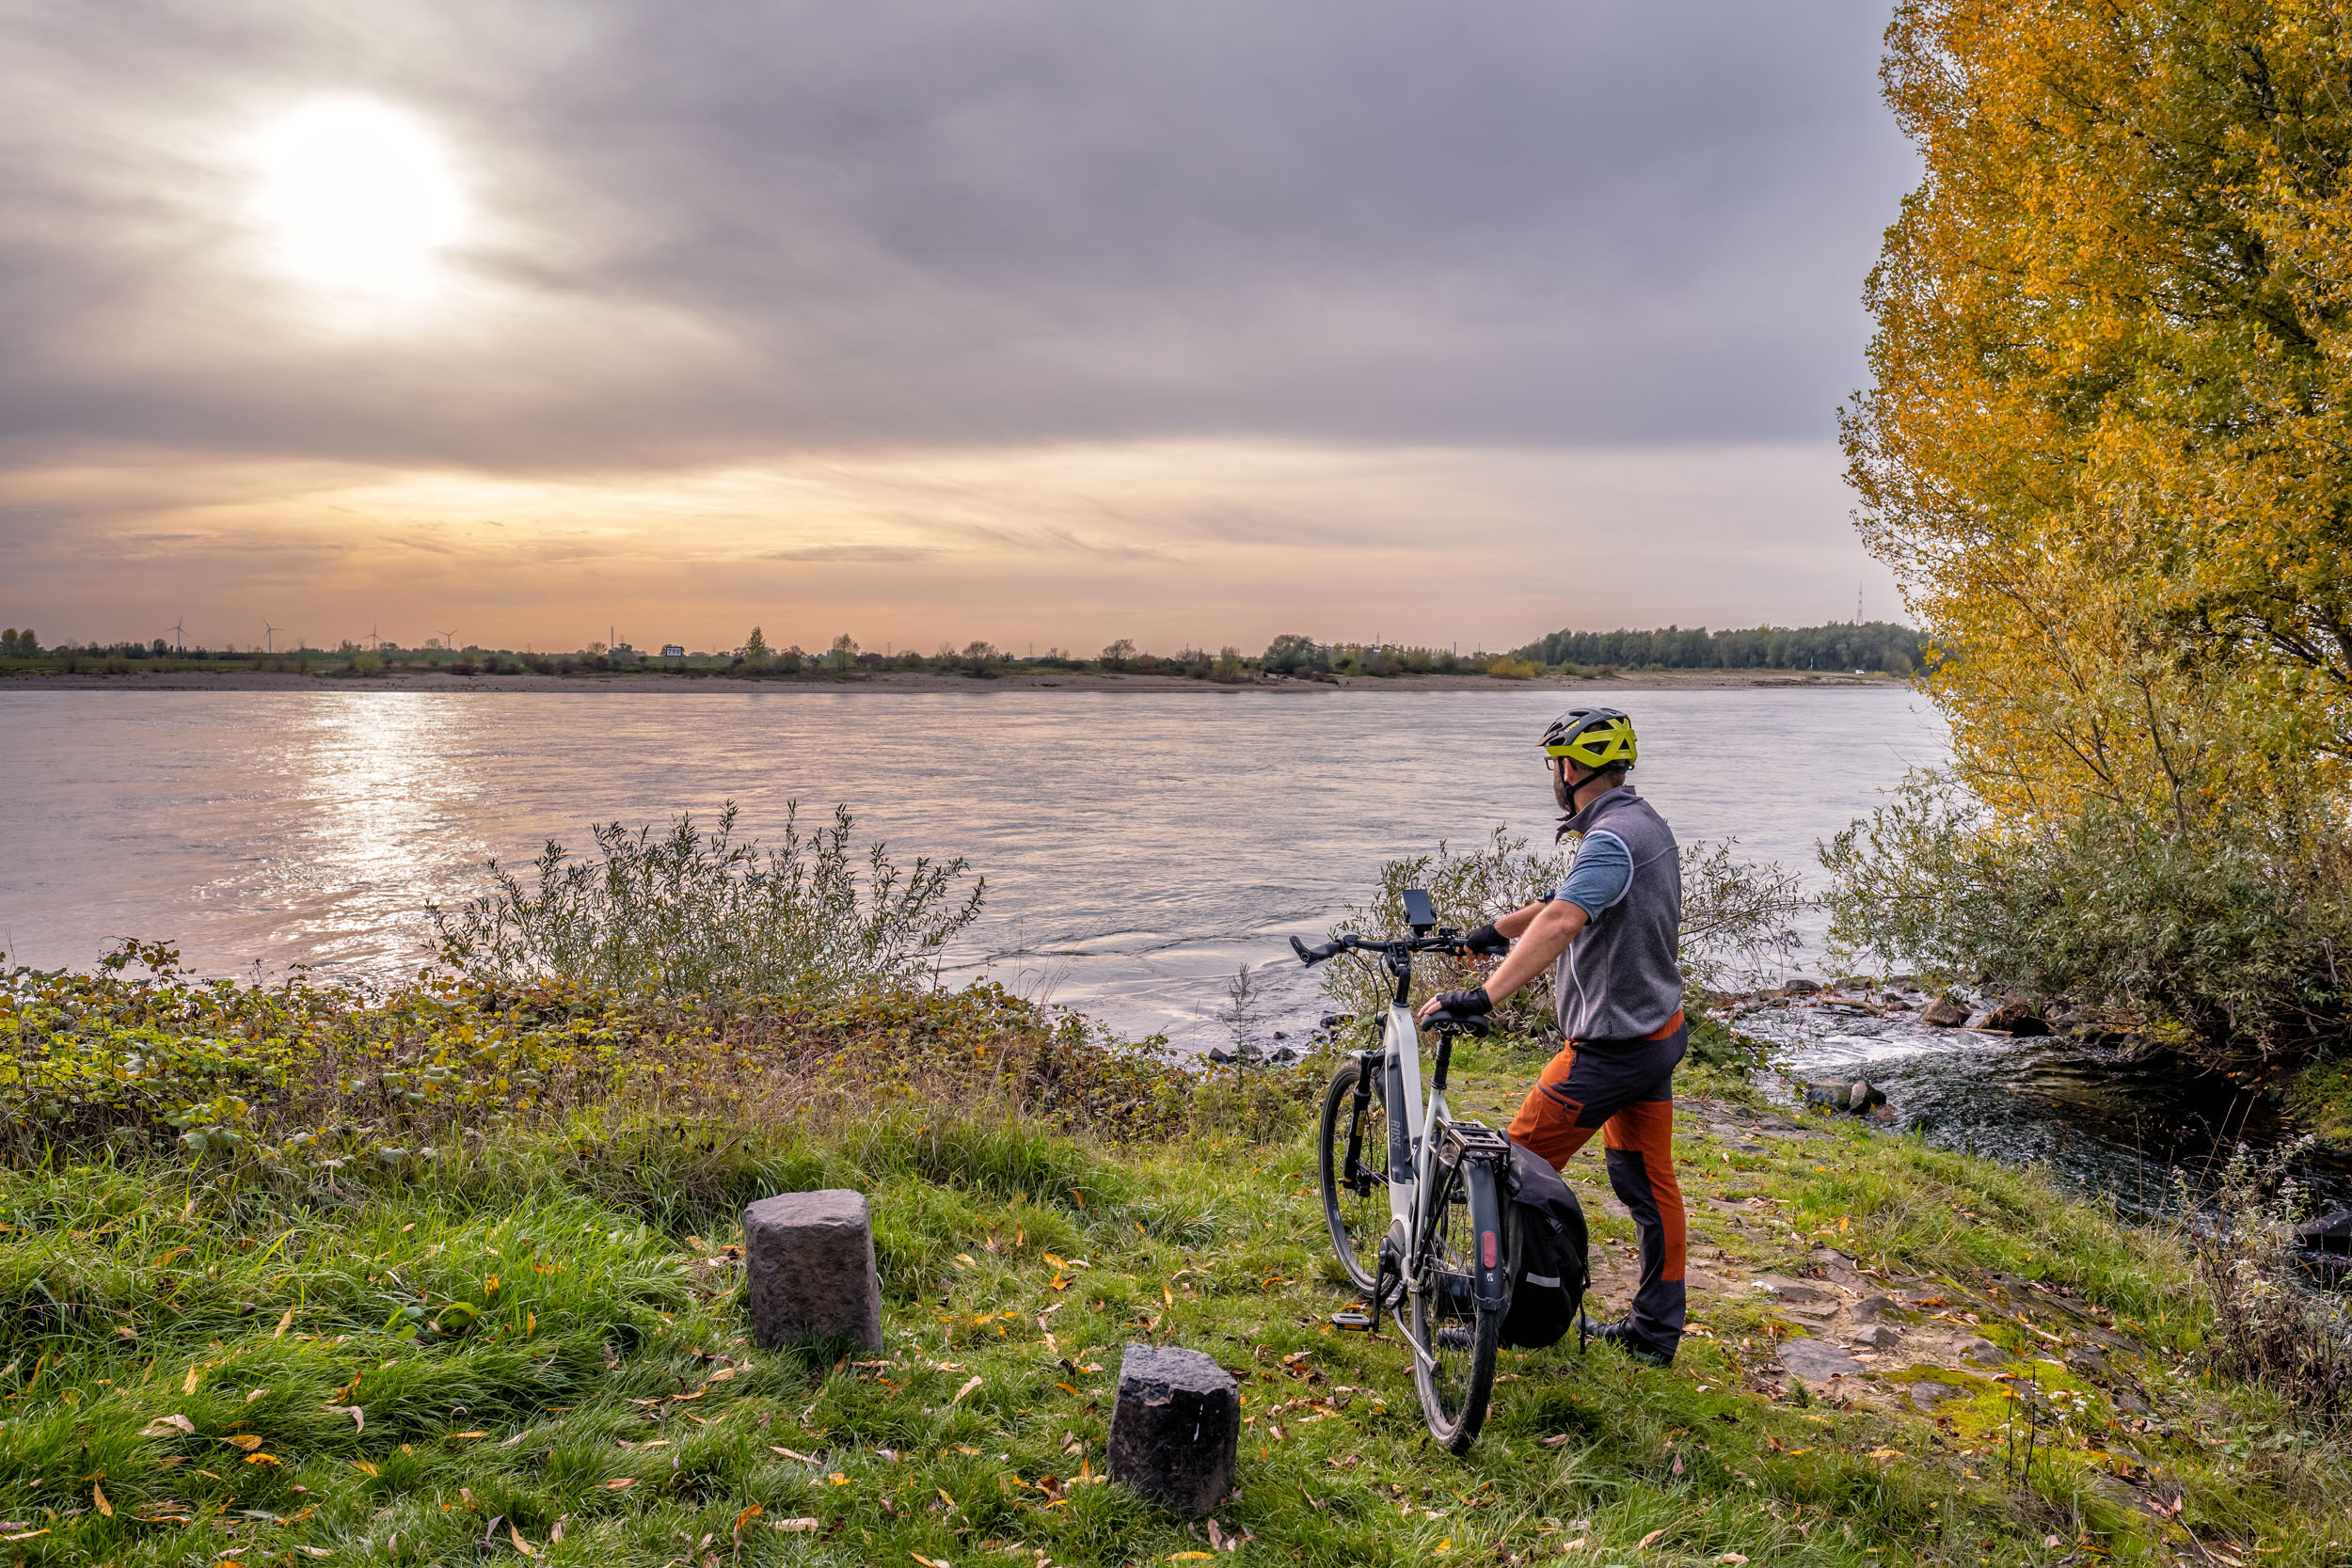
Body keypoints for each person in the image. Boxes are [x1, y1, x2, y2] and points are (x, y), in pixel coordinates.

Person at [1417, 707, 1687, 1367]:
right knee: (1649, 1186)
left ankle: (1504, 1314)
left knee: (1508, 1170)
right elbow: (1560, 900)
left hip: (1609, 1050)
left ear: (1573, 769)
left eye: (1554, 765)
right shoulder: (1640, 823)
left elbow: (1564, 917)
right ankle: (1655, 1334)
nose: (1552, 777)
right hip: (1656, 1032)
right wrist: (1490, 932)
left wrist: (1482, 995)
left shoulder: (1610, 839)